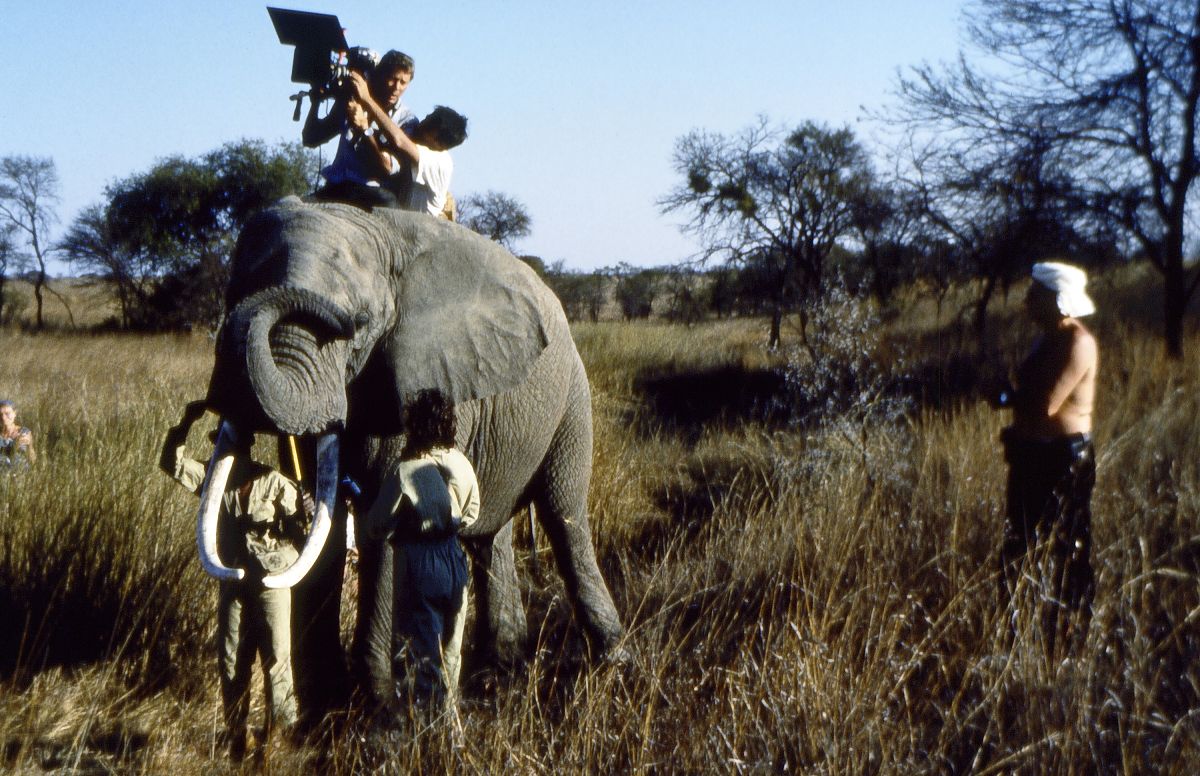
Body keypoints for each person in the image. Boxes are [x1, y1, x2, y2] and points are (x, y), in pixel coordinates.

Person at [159, 401, 304, 759]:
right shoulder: (212, 478)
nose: (228, 452)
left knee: (278, 655)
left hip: (272, 579)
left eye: (234, 444)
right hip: (232, 578)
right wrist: (185, 423)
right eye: (223, 445)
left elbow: (302, 514)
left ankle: (279, 735)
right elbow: (172, 463)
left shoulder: (272, 480)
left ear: (247, 447)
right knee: (230, 656)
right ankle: (237, 732)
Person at [992, 261, 1098, 656]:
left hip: (1062, 461)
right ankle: (1019, 637)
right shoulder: (1047, 339)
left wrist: (1006, 394)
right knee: (1017, 549)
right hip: (1032, 457)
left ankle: (1071, 640)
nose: (1026, 300)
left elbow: (1043, 403)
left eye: (1034, 293)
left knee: (1068, 550)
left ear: (1056, 299)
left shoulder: (1077, 341)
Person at [364, 389, 479, 718]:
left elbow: (376, 525)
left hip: (419, 562)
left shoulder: (406, 471)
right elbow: (471, 514)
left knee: (419, 656)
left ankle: (423, 737)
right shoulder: (460, 463)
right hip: (454, 556)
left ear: (414, 424)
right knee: (451, 653)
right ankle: (449, 729)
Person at [348, 68, 468, 219]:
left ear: (437, 141)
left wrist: (367, 99)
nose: (421, 122)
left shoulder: (441, 162)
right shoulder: (423, 150)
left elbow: (399, 141)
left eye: (428, 124)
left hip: (418, 231)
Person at [303, 49, 419, 204]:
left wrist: (364, 129)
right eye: (392, 79)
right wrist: (316, 101)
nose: (396, 87)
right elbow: (311, 138)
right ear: (380, 75)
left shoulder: (407, 120)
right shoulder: (351, 100)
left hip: (372, 193)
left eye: (403, 82)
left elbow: (385, 170)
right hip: (336, 186)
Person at [0, 400, 36, 468]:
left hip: (20, 474)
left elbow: (32, 461)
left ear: (15, 413)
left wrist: (30, 446)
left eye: (7, 413)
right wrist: (14, 447)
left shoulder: (24, 432)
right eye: (0, 414)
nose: (3, 418)